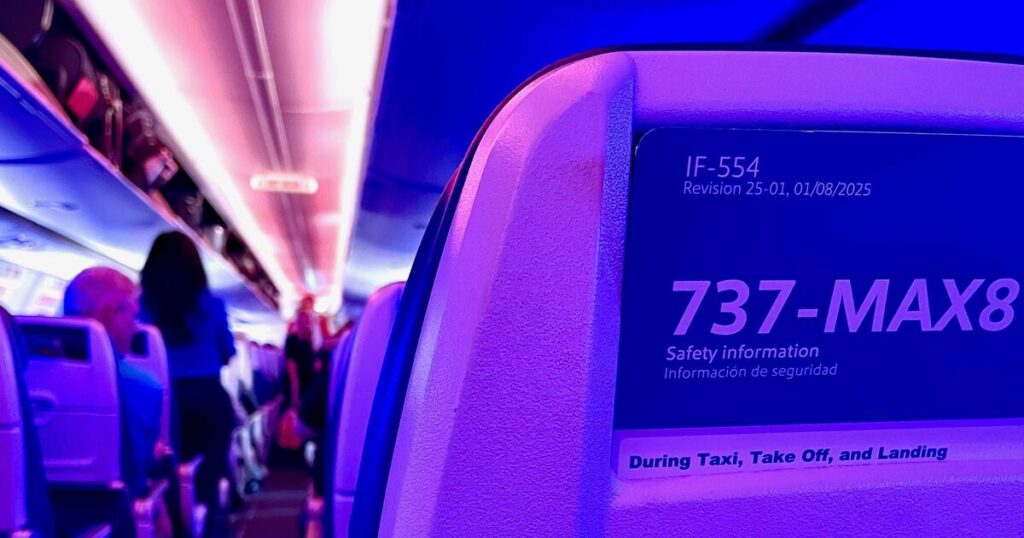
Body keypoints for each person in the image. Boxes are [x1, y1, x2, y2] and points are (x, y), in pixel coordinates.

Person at [139, 231, 238, 511]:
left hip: (159, 397)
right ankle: (206, 520)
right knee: (206, 480)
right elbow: (227, 353)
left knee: (164, 476)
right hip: (206, 396)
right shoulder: (213, 305)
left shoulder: (142, 306)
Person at [63, 267, 162, 499]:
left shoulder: (20, 377)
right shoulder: (144, 386)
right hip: (118, 512)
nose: (136, 328)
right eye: (133, 317)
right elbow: (140, 469)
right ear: (109, 314)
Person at [284, 297, 321, 410]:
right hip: (297, 391)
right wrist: (295, 399)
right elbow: (293, 373)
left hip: (309, 391)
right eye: (304, 322)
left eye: (308, 323)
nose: (307, 325)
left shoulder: (312, 344)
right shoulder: (292, 340)